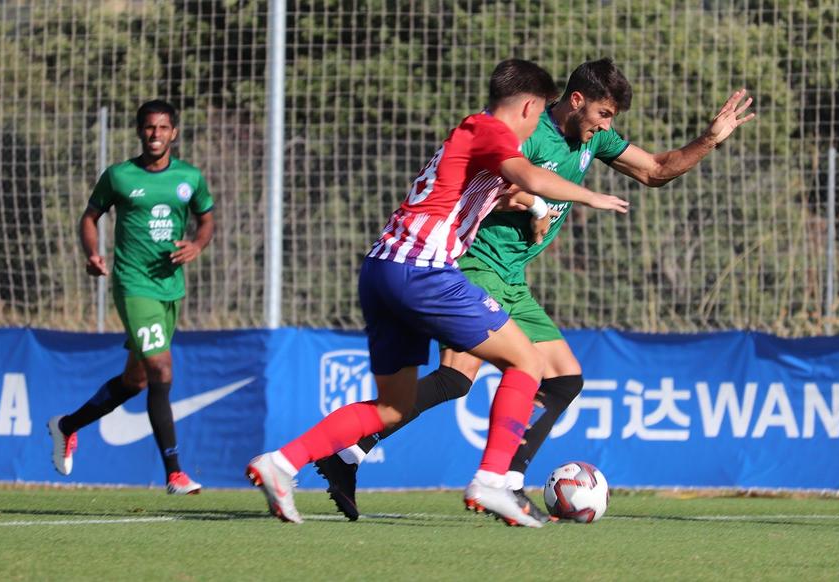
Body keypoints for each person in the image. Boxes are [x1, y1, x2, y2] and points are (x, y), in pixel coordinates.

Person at [314, 58, 756, 522]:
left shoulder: (597, 139)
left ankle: (395, 460)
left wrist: (710, 139)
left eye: (612, 120)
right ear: (577, 101)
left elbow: (657, 170)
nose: (607, 126)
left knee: (561, 378)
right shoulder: (528, 131)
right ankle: (490, 480)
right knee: (458, 377)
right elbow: (485, 186)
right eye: (603, 114)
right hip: (474, 265)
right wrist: (538, 203)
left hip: (511, 279)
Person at [244, 59, 629, 527]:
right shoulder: (489, 130)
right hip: (423, 269)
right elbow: (527, 177)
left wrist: (538, 206)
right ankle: (493, 479)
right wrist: (590, 196)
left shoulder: (477, 141)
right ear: (529, 106)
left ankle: (281, 463)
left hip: (382, 268)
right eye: (538, 113)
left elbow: (514, 187)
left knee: (394, 405)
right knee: (525, 362)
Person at [47, 99, 216, 495]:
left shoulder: (190, 177)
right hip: (132, 284)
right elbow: (90, 217)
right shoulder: (120, 176)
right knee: (161, 371)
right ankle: (175, 473)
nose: (154, 135)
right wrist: (92, 253)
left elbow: (206, 218)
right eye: (148, 128)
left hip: (170, 289)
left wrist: (196, 245)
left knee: (136, 380)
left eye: (162, 128)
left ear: (173, 132)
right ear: (139, 131)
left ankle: (66, 426)